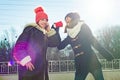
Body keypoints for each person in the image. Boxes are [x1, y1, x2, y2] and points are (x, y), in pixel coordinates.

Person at [57, 12, 114, 80]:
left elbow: (93, 41)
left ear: (74, 18)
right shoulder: (69, 34)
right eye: (66, 21)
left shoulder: (83, 27)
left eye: (68, 19)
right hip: (80, 65)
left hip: (92, 61)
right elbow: (60, 46)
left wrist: (106, 54)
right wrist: (56, 30)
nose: (67, 22)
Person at [13, 6, 63, 80]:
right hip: (29, 68)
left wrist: (49, 31)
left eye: (46, 20)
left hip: (41, 70)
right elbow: (19, 46)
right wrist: (26, 61)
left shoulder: (45, 34)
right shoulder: (30, 30)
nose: (45, 22)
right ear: (37, 20)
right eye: (42, 19)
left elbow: (55, 43)